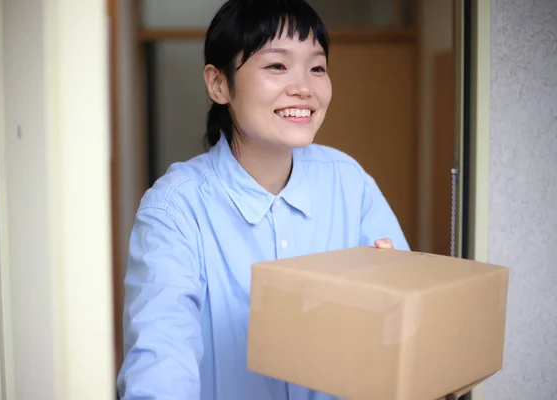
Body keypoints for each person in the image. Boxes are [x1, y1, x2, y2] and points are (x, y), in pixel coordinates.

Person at [116, 0, 409, 399]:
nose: (304, 87)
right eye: (277, 65)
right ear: (219, 84)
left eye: (317, 67)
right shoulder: (174, 209)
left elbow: (403, 342)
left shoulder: (348, 182)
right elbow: (161, 362)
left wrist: (395, 301)